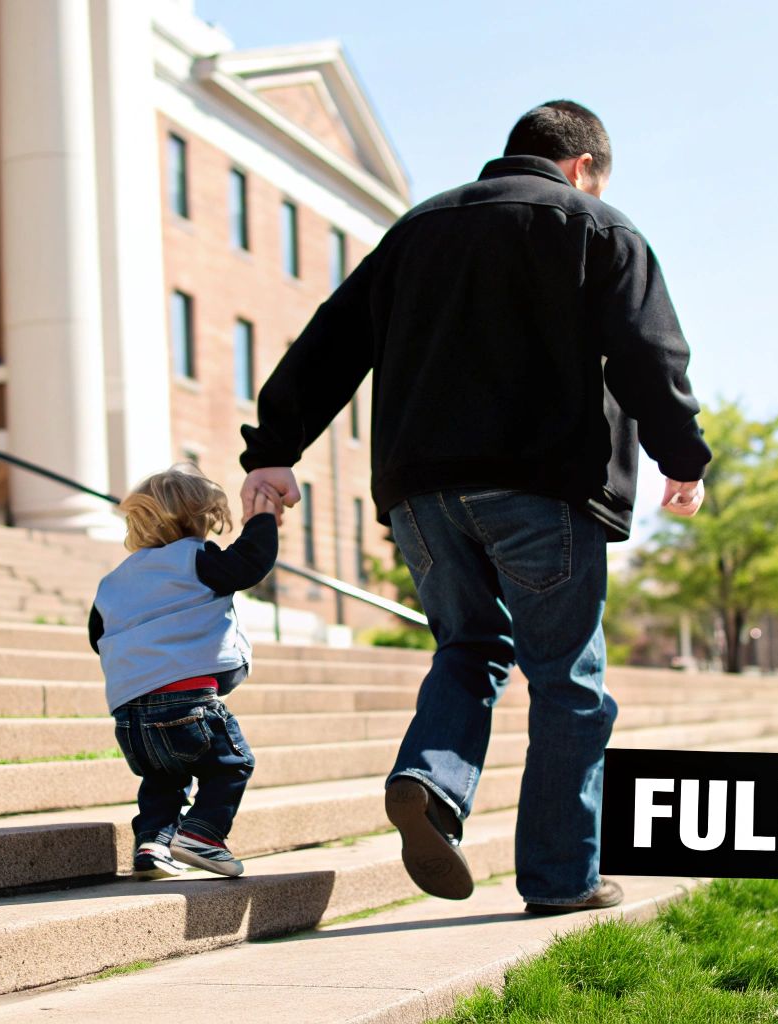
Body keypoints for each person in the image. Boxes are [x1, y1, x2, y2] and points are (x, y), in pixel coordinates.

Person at [236, 100, 713, 914]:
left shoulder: (417, 229)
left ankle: (430, 782)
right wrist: (684, 459)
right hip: (543, 488)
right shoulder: (597, 226)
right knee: (567, 683)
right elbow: (648, 351)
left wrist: (275, 447)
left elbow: (333, 339)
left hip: (420, 494)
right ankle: (561, 880)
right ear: (583, 168)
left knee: (469, 646)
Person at [88, 465, 279, 879]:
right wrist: (262, 520)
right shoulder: (196, 559)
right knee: (231, 764)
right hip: (187, 703)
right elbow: (249, 563)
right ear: (200, 519)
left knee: (163, 779)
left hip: (130, 716)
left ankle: (153, 845)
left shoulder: (113, 581)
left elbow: (97, 635)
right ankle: (202, 833)